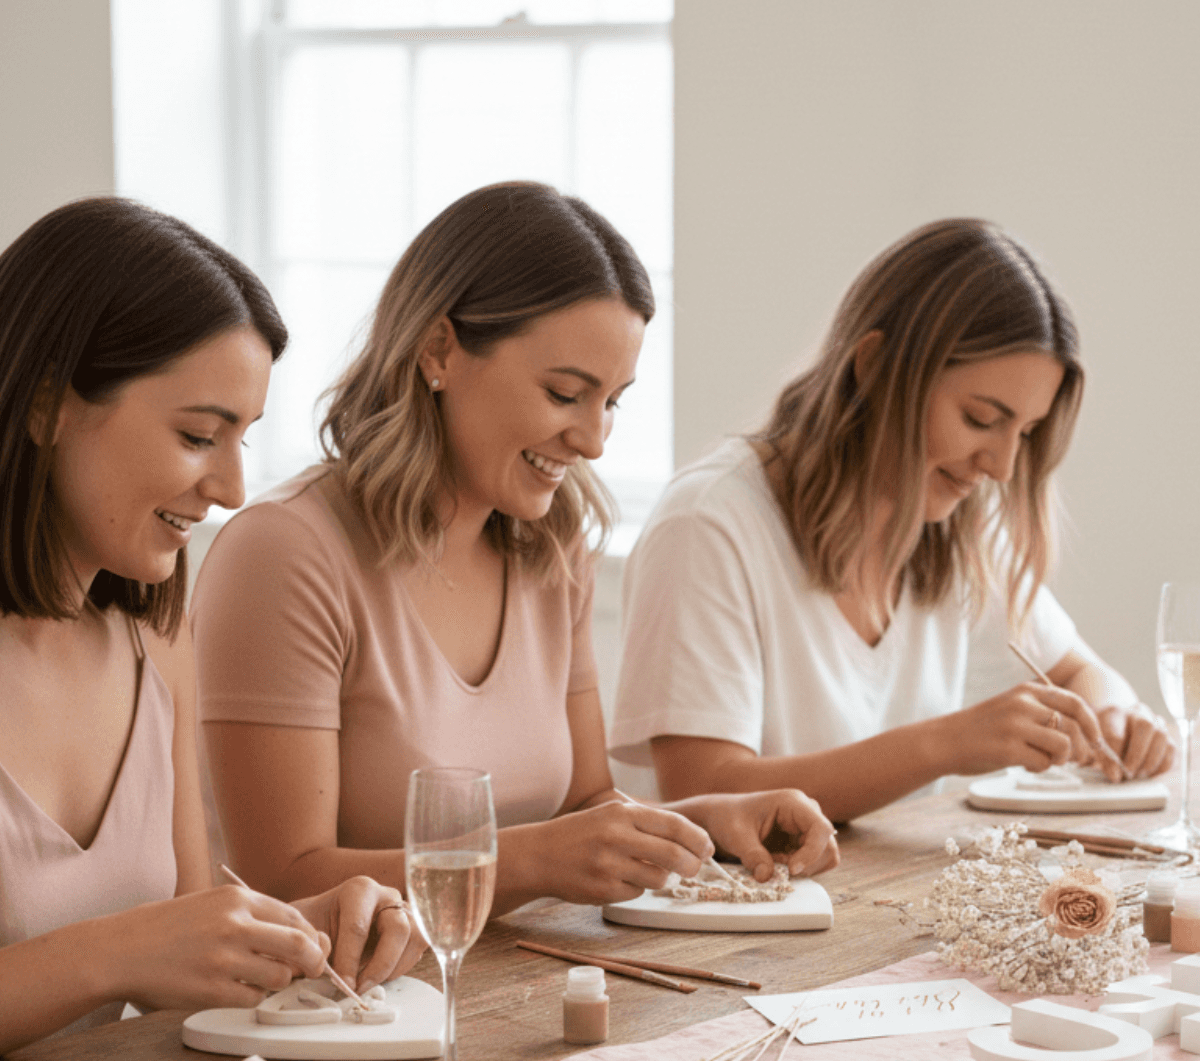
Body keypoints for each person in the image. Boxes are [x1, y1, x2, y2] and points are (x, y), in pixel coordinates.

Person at [191, 182, 838, 912]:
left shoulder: (550, 547)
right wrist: (522, 863)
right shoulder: (284, 554)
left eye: (612, 401)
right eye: (566, 394)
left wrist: (707, 821)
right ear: (440, 349)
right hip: (345, 1011)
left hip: (519, 989)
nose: (593, 439)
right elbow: (282, 880)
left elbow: (584, 806)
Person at [0, 199, 417, 1054]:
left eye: (244, 441)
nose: (230, 487)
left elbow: (179, 945)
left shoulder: (154, 641)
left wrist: (301, 929)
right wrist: (114, 954)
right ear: (46, 404)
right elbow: (136, 950)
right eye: (198, 436)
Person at [609, 218, 1173, 822]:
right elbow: (704, 790)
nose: (1003, 466)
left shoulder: (959, 528)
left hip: (882, 902)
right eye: (982, 419)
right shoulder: (709, 525)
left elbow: (1082, 672)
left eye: (1026, 433)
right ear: (874, 366)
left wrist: (1115, 715)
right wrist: (945, 745)